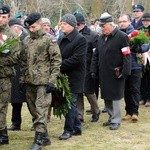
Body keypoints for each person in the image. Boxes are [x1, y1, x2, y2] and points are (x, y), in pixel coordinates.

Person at [21, 12, 61, 150]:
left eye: (33, 27)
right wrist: (22, 79)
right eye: (29, 28)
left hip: (44, 82)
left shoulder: (49, 40)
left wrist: (52, 81)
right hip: (29, 81)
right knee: (33, 111)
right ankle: (45, 137)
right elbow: (23, 62)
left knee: (41, 111)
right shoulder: (26, 40)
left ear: (39, 24)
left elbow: (56, 61)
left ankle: (38, 141)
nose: (31, 30)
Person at [91, 12, 131, 130]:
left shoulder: (122, 37)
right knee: (107, 96)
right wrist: (93, 70)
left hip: (117, 72)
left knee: (116, 97)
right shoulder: (100, 38)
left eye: (103, 26)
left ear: (110, 24)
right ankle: (111, 117)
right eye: (101, 27)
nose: (102, 29)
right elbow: (96, 55)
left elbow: (127, 55)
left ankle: (116, 120)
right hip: (104, 72)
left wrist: (126, 71)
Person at [57, 13, 87, 140]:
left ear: (72, 25)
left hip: (74, 76)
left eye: (64, 24)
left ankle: (68, 130)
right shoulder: (61, 37)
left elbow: (77, 59)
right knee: (69, 103)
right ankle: (77, 128)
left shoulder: (80, 39)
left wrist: (58, 66)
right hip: (63, 76)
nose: (61, 26)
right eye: (61, 23)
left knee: (69, 103)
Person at [74, 13, 100, 122]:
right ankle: (80, 114)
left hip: (88, 67)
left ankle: (96, 111)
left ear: (81, 24)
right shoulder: (73, 34)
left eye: (77, 25)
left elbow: (96, 53)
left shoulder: (93, 36)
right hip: (76, 67)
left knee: (89, 92)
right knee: (78, 92)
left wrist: (94, 68)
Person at [118, 14, 144, 122]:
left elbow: (142, 48)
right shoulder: (118, 34)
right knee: (126, 90)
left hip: (134, 66)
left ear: (129, 21)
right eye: (120, 22)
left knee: (134, 89)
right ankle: (128, 111)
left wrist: (133, 46)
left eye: (124, 21)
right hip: (123, 66)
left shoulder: (135, 33)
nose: (122, 23)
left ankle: (134, 112)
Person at [0, 5, 19, 145]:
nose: (0, 19)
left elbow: (16, 58)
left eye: (3, 17)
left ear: (8, 18)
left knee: (1, 106)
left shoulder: (12, 35)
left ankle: (3, 134)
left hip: (4, 76)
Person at [7, 18, 28, 131]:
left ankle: (36, 122)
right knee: (15, 100)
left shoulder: (26, 38)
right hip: (14, 73)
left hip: (24, 71)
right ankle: (16, 123)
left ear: (15, 27)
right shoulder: (11, 39)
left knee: (30, 99)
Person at [139, 12, 150, 107]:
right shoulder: (139, 30)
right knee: (142, 78)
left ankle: (149, 98)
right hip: (142, 57)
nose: (145, 22)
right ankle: (142, 97)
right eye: (144, 20)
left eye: (147, 20)